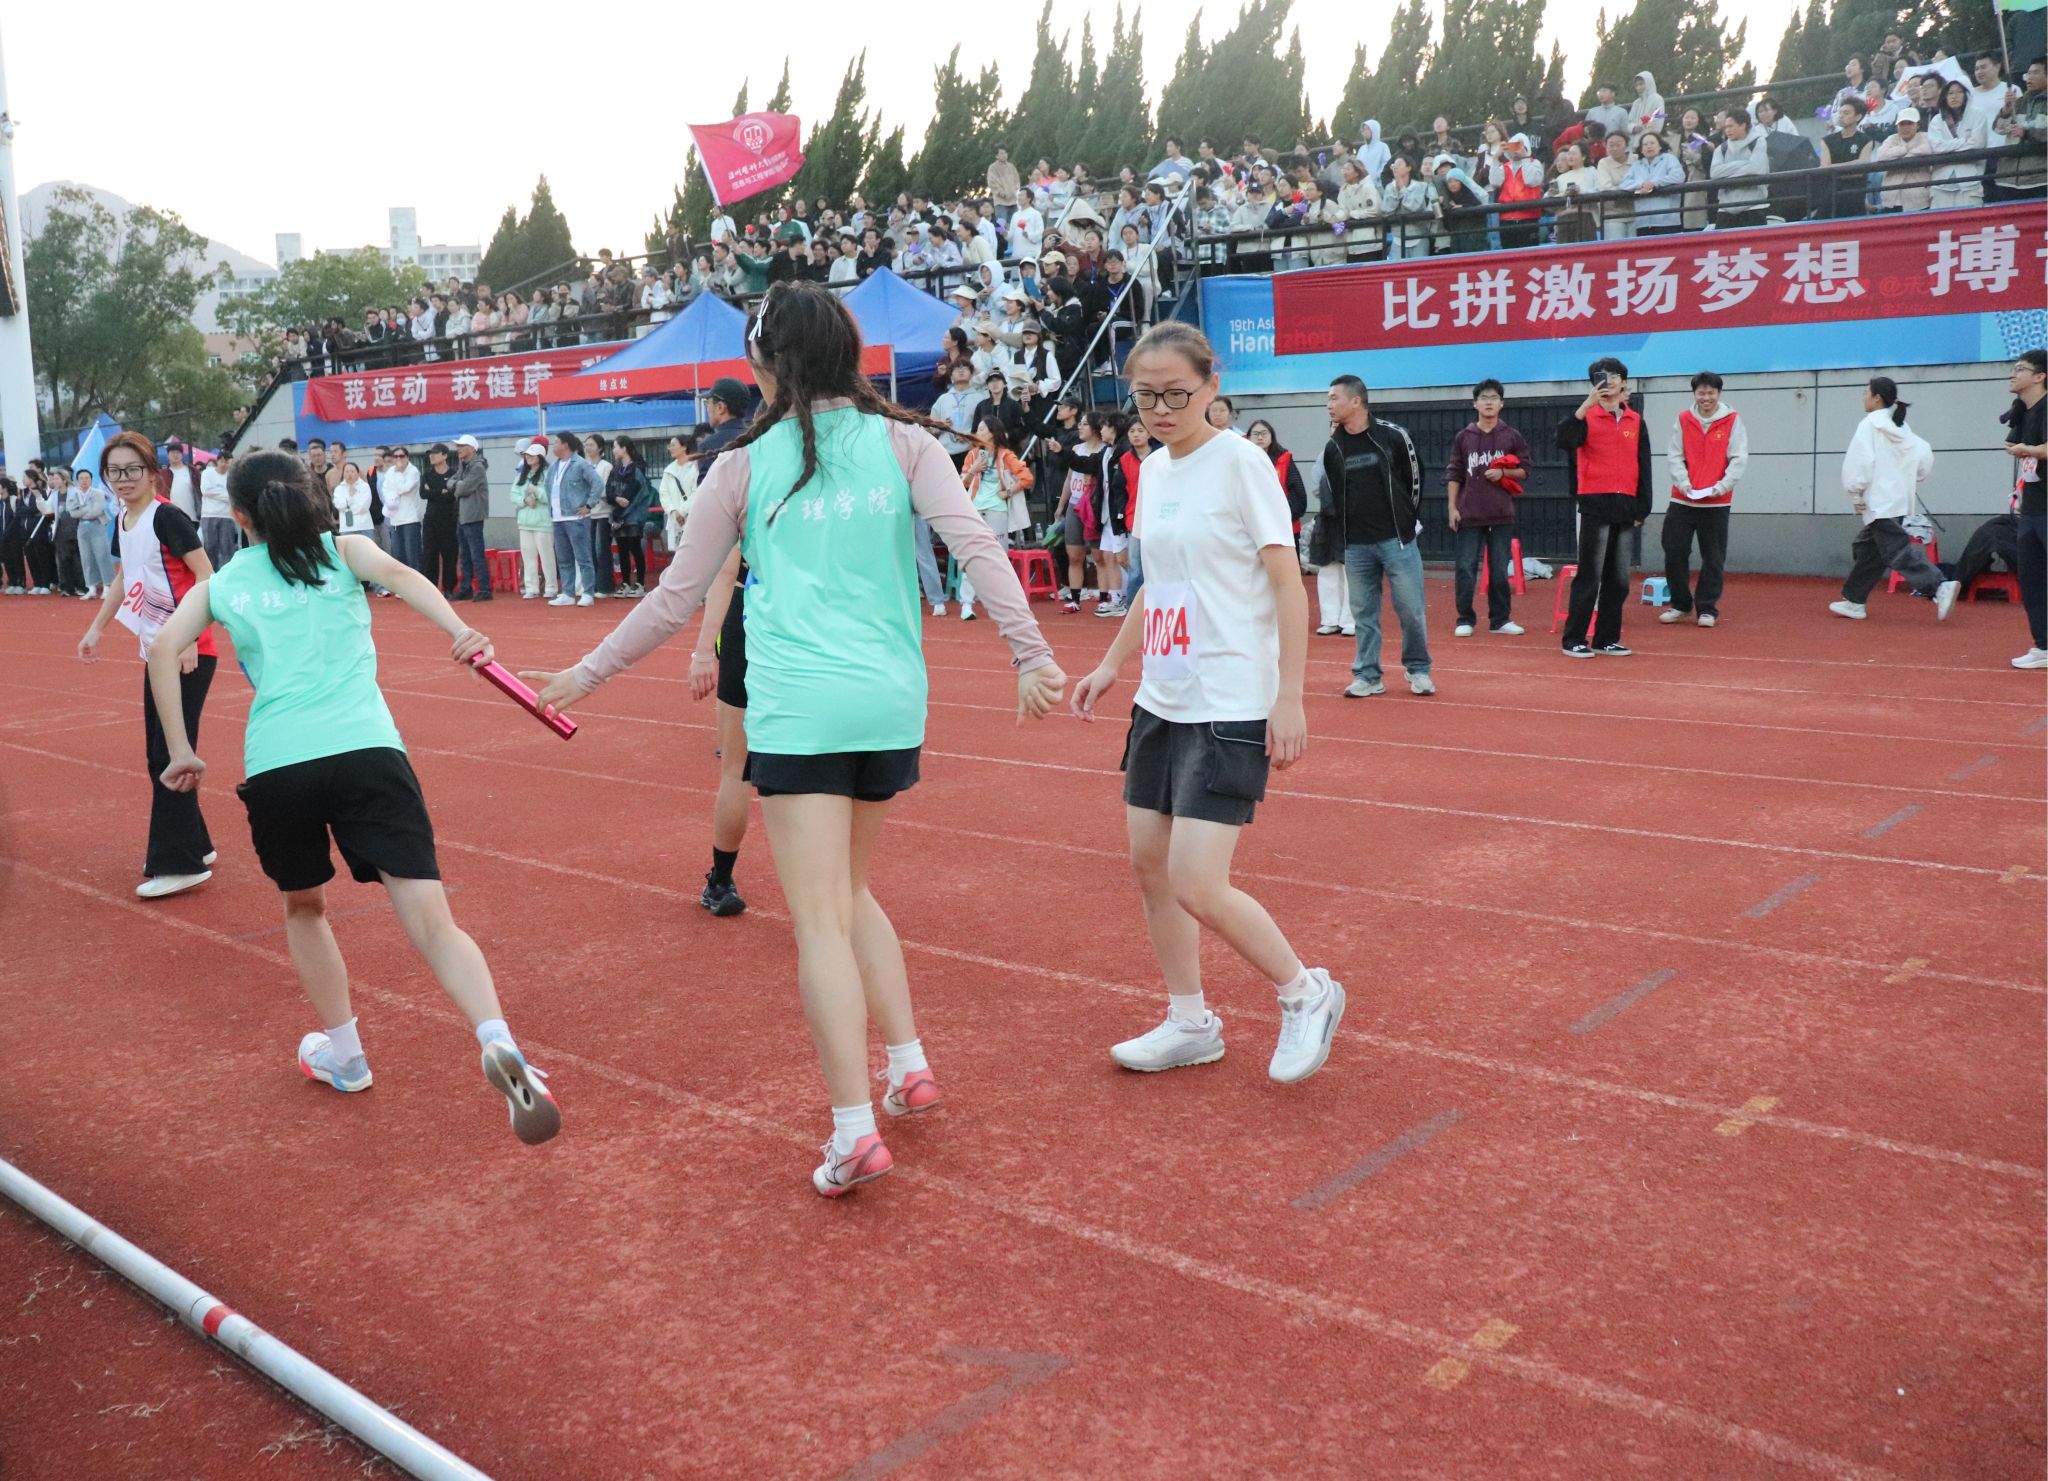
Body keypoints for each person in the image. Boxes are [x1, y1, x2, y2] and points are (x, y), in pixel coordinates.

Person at [525, 282, 1064, 1197]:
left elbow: (675, 597)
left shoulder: (741, 465)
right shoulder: (905, 441)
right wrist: (1032, 653)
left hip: (801, 709)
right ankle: (908, 1064)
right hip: (890, 703)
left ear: (765, 366)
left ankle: (853, 1130)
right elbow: (976, 544)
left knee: (819, 918)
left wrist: (588, 671)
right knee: (848, 892)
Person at [144, 451, 560, 1145]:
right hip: (369, 751)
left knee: (304, 907)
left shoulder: (224, 583)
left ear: (239, 515)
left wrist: (182, 750)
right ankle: (496, 1037)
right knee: (433, 922)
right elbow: (405, 576)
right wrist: (459, 632)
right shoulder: (343, 552)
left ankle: (346, 1055)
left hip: (280, 764)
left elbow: (163, 651)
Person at [1069, 322, 1342, 1084]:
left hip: (1230, 698)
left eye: (1176, 395)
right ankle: (1189, 1020)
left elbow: (1287, 582)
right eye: (1145, 397)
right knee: (1149, 866)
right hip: (1163, 694)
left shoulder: (1242, 464)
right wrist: (1112, 664)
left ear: (1211, 387)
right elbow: (1157, 584)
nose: (1160, 410)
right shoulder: (1152, 470)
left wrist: (1289, 696)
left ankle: (1306, 990)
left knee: (1196, 880)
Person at [76, 433, 219, 898]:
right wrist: (96, 627)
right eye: (114, 471)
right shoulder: (124, 517)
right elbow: (125, 577)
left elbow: (207, 576)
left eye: (132, 469)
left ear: (152, 471)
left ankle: (179, 864)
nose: (123, 479)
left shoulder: (167, 517)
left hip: (188, 652)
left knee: (168, 753)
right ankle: (195, 845)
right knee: (161, 750)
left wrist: (189, 638)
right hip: (157, 653)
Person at [1321, 376, 1432, 697]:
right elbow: (1335, 493)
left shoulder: (1393, 436)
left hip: (1397, 540)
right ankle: (1368, 676)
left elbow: (1415, 481)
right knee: (1363, 615)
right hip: (1356, 546)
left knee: (1411, 610)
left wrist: (1406, 522)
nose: (1329, 405)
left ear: (1356, 401)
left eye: (1334, 398)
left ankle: (1418, 669)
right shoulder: (1333, 447)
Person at [1830, 377, 1960, 622]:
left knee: (1895, 551)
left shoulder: (1869, 425)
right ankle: (1854, 600)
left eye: (1866, 392)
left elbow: (1859, 461)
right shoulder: (1901, 427)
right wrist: (1911, 477)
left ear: (1877, 397)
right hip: (1898, 500)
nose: (1863, 397)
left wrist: (1855, 492)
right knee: (1867, 549)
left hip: (1878, 502)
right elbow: (1923, 456)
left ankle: (1939, 586)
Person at [1557, 357, 1653, 658]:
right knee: (1590, 576)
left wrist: (1642, 507)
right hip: (1595, 503)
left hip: (1625, 504)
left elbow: (1643, 465)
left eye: (1614, 375)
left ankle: (1606, 638)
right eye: (1602, 376)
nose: (1609, 381)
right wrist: (1585, 406)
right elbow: (1564, 440)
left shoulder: (1635, 421)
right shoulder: (1586, 417)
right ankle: (1574, 639)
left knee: (1619, 579)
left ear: (1624, 382)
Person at [1657, 372, 1749, 629]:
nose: (1706, 398)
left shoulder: (1732, 420)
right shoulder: (1684, 419)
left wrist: (1722, 486)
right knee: (1674, 551)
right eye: (1701, 393)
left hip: (1717, 502)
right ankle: (1680, 604)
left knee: (1713, 557)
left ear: (1719, 394)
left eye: (1711, 393)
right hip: (1683, 500)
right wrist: (1683, 483)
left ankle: (1707, 608)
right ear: (1694, 394)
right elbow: (1675, 455)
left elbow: (1739, 458)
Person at [1446, 378, 1532, 637]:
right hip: (1469, 513)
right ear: (1475, 404)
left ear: (1501, 404)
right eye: (1484, 398)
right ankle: (1464, 619)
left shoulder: (1511, 436)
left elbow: (1525, 470)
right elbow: (1454, 473)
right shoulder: (1464, 437)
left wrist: (1504, 472)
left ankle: (1500, 619)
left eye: (1494, 398)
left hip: (1501, 513)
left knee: (1498, 570)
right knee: (1465, 568)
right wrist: (1452, 508)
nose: (1489, 403)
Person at [957, 419, 1033, 621]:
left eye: (981, 429)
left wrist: (1008, 492)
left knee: (999, 556)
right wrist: (973, 470)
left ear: (992, 432)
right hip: (975, 509)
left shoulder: (1005, 455)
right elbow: (961, 483)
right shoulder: (973, 454)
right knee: (971, 554)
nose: (977, 432)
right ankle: (967, 603)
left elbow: (1027, 478)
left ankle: (1002, 603)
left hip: (997, 510)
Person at [2003, 351, 2046, 668]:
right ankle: (2044, 645)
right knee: (2032, 579)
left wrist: (2028, 449)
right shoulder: (2022, 411)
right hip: (2032, 506)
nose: (2013, 374)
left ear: (2040, 376)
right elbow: (2013, 445)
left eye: (2021, 369)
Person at [543, 432, 601, 607]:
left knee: (583, 557)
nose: (553, 446)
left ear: (565, 445)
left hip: (576, 518)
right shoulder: (553, 467)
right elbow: (548, 488)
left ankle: (588, 592)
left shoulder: (581, 464)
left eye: (556, 442)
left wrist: (589, 505)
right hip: (558, 518)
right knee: (563, 558)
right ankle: (568, 593)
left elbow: (598, 484)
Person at [509, 442, 558, 599]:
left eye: (532, 455)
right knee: (528, 556)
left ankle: (551, 586)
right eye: (527, 455)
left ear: (540, 457)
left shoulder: (548, 473)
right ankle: (531, 587)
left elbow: (551, 496)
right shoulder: (522, 475)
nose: (528, 457)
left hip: (543, 522)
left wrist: (536, 492)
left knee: (546, 556)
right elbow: (513, 494)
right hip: (525, 522)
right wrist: (524, 500)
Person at [1709, 109, 1772, 229]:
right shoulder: (1721, 149)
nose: (1727, 130)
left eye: (1731, 126)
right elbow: (1715, 173)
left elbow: (1755, 169)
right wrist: (1744, 164)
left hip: (1753, 206)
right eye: (1726, 127)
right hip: (1725, 208)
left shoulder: (1758, 141)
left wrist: (1727, 176)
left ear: (1743, 125)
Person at [606, 436, 652, 597]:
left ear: (624, 448)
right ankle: (625, 583)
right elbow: (608, 491)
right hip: (618, 515)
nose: (613, 450)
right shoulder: (615, 470)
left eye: (615, 447)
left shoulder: (637, 469)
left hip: (633, 516)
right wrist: (616, 499)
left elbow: (638, 492)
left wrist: (625, 503)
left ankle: (640, 584)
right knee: (622, 550)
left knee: (635, 548)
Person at [449, 434, 492, 603]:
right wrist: (456, 484)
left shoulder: (477, 467)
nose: (458, 449)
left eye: (462, 446)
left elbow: (463, 488)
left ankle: (484, 589)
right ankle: (466, 587)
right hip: (463, 515)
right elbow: (452, 482)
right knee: (465, 554)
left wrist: (456, 485)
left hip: (473, 515)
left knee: (476, 553)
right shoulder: (464, 465)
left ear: (472, 449)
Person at [70, 467, 115, 601]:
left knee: (102, 555)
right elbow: (72, 513)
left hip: (97, 526)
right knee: (86, 558)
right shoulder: (74, 494)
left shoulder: (98, 493)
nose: (84, 481)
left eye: (87, 478)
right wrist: (86, 511)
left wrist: (82, 511)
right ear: (77, 480)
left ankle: (107, 586)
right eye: (81, 478)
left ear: (91, 480)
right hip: (82, 528)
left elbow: (97, 511)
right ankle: (91, 587)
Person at [381, 445, 423, 571]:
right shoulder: (390, 472)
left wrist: (397, 478)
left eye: (401, 456)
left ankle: (416, 582)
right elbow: (385, 491)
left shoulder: (413, 471)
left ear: (407, 457)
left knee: (412, 556)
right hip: (395, 520)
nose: (398, 459)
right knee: (398, 556)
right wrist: (394, 491)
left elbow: (405, 488)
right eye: (395, 456)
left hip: (411, 519)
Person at [198, 451, 238, 569]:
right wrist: (226, 496)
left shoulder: (232, 476)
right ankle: (211, 573)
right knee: (210, 548)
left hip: (227, 516)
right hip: (209, 515)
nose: (224, 464)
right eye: (222, 461)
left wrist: (217, 493)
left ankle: (227, 573)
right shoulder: (207, 473)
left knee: (227, 549)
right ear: (218, 461)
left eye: (228, 462)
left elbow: (234, 495)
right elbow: (205, 490)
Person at [332, 461, 375, 538]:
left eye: (352, 471)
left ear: (357, 473)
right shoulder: (339, 489)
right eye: (347, 471)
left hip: (364, 526)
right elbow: (339, 506)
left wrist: (347, 507)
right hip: (346, 528)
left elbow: (364, 507)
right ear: (343, 473)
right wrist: (350, 497)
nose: (349, 474)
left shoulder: (364, 486)